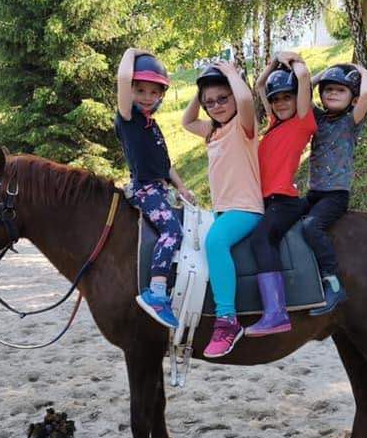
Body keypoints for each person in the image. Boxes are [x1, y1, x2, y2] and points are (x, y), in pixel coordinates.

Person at [182, 60, 262, 357]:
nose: (216, 106)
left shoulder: (243, 126)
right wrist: (200, 91)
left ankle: (227, 319)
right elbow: (187, 121)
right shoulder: (212, 131)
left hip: (247, 207)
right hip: (223, 209)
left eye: (222, 99)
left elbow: (246, 100)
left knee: (215, 242)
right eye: (210, 103)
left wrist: (231, 74)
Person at [115, 47, 195, 329]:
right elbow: (123, 78)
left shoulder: (152, 126)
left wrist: (182, 188)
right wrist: (132, 52)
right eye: (140, 91)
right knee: (172, 231)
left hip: (161, 187)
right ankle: (157, 292)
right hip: (144, 189)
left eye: (153, 92)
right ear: (130, 91)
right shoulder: (128, 119)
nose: (147, 97)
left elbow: (165, 164)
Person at [244, 51, 316, 336]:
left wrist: (293, 60)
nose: (281, 102)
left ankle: (276, 312)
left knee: (262, 239)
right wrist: (274, 61)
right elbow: (260, 86)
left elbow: (304, 76)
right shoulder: (274, 124)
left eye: (287, 97)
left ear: (298, 98)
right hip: (262, 201)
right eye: (276, 99)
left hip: (283, 201)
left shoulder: (303, 121)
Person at [302, 62, 367, 315]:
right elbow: (302, 90)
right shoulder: (318, 118)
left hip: (335, 195)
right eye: (328, 89)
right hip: (314, 192)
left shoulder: (351, 121)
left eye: (340, 90)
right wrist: (322, 74)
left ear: (352, 99)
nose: (332, 93)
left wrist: (361, 70)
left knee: (312, 227)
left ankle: (333, 282)